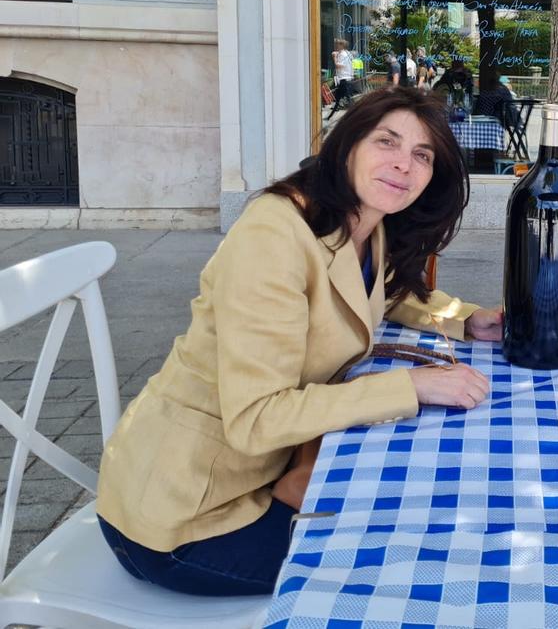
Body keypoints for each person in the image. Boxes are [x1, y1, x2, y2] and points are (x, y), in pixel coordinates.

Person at [95, 87, 504, 596]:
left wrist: (466, 319)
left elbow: (372, 290)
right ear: (348, 144)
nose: (404, 164)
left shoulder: (364, 223)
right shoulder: (274, 234)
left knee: (419, 507)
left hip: (256, 476)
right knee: (413, 557)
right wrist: (411, 387)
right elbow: (256, 417)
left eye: (422, 155)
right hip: (185, 520)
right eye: (387, 142)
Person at [329, 38, 355, 114]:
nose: (335, 46)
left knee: (345, 99)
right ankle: (330, 116)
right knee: (343, 99)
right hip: (347, 78)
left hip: (344, 79)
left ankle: (355, 114)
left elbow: (338, 66)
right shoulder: (347, 53)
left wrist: (334, 57)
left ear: (341, 45)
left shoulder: (343, 55)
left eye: (337, 44)